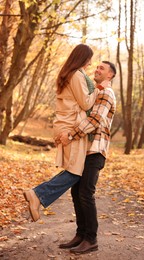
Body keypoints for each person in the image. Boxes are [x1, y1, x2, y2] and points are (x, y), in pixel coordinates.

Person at [23, 43, 99, 221]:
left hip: (64, 123)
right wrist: (98, 90)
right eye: (89, 59)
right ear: (83, 58)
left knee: (74, 170)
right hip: (71, 126)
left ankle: (39, 196)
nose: (89, 63)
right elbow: (86, 103)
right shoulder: (77, 75)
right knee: (75, 170)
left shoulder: (68, 73)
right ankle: (37, 194)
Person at [58, 61, 116, 254]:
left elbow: (94, 120)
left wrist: (71, 135)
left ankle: (91, 239)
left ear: (110, 75)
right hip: (85, 150)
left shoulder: (107, 94)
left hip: (96, 151)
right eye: (97, 67)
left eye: (102, 68)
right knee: (76, 192)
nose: (97, 70)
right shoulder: (96, 93)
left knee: (85, 193)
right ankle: (80, 235)